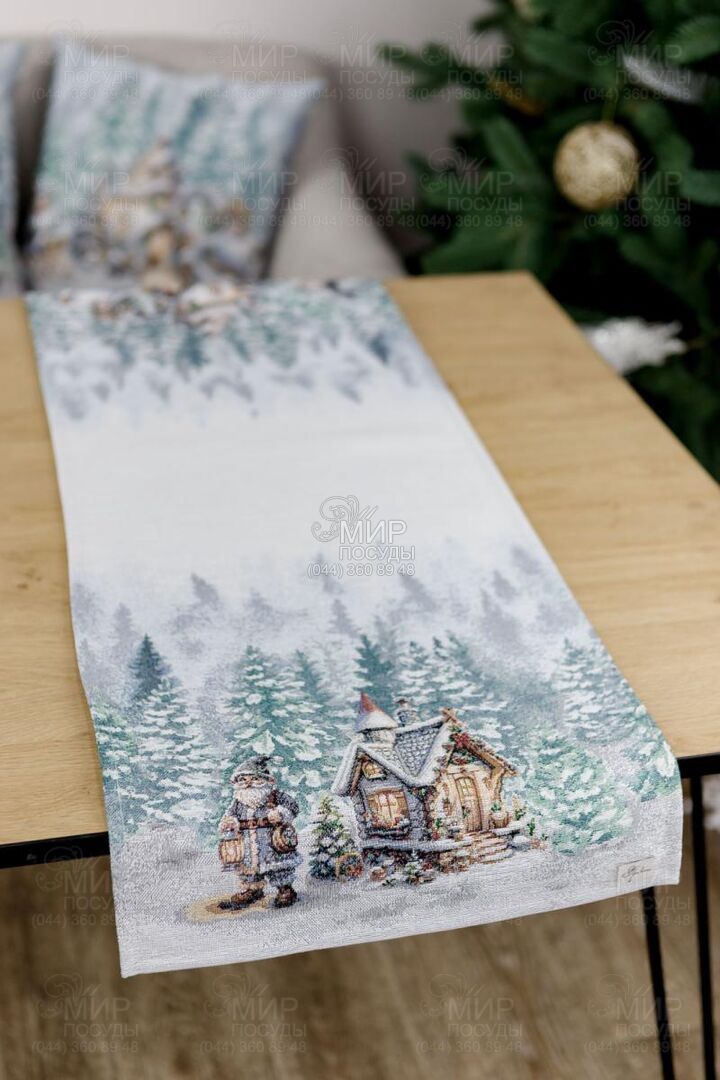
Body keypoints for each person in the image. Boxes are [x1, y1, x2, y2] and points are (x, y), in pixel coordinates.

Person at [218, 754, 300, 909]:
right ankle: (253, 890)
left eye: (254, 778)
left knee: (278, 867)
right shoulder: (238, 802)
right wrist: (229, 821)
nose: (248, 783)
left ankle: (285, 889)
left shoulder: (274, 796)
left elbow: (293, 806)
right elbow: (229, 814)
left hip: (273, 843)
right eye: (243, 779)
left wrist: (281, 813)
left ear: (266, 779)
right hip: (247, 843)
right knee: (249, 869)